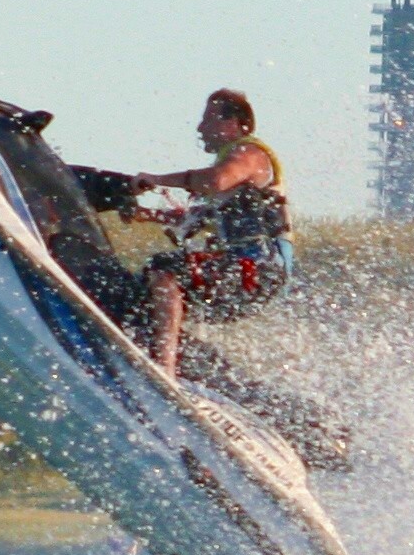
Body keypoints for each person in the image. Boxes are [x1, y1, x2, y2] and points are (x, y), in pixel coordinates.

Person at [122, 88, 291, 373]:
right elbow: (194, 219)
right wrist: (144, 214)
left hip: (260, 271)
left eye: (208, 120)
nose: (200, 128)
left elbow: (216, 180)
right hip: (248, 274)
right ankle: (191, 366)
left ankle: (164, 369)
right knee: (146, 289)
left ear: (234, 123)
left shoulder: (249, 152)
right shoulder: (236, 181)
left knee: (164, 269)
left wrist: (157, 178)